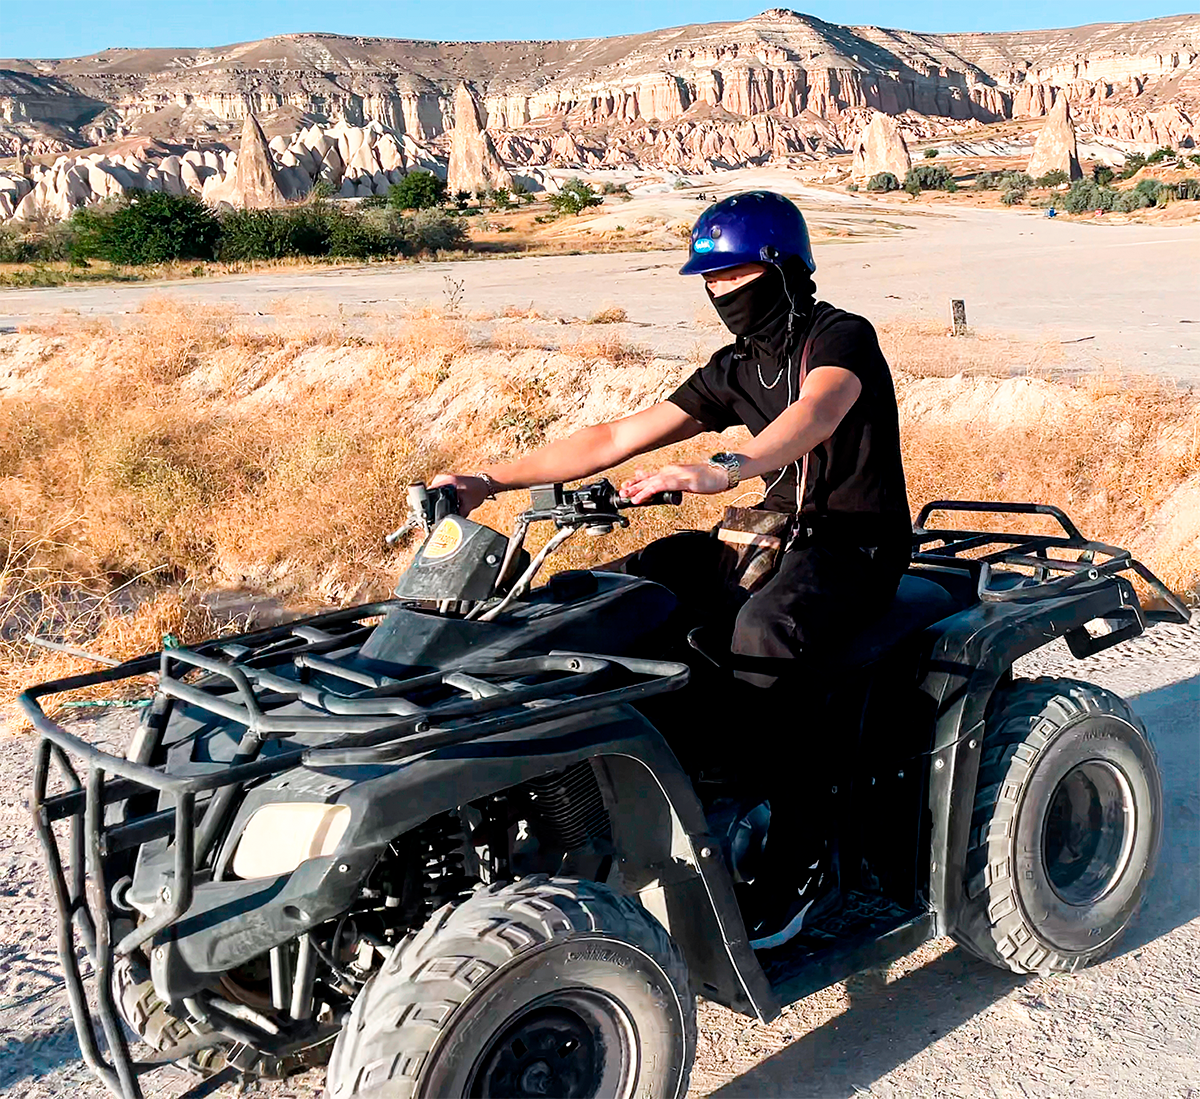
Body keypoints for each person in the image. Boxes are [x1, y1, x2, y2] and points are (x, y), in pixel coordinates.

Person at [433, 190, 911, 947]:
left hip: (856, 544)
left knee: (766, 630)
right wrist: (488, 479)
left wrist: (728, 467)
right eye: (709, 280)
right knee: (622, 589)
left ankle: (799, 847)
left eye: (733, 274)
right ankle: (638, 779)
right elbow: (616, 434)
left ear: (782, 268)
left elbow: (816, 413)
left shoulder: (839, 337)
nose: (720, 291)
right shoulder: (736, 366)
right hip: (770, 533)